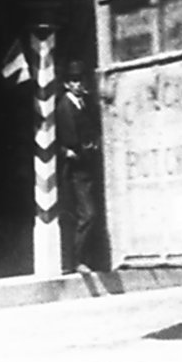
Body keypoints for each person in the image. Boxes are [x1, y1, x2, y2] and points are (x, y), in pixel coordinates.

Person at [55, 60, 101, 273]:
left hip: (88, 166)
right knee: (87, 214)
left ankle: (90, 258)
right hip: (76, 170)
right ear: (66, 84)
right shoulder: (64, 107)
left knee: (91, 213)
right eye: (74, 80)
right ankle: (77, 260)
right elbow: (64, 139)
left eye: (80, 79)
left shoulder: (85, 104)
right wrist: (71, 151)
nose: (78, 84)